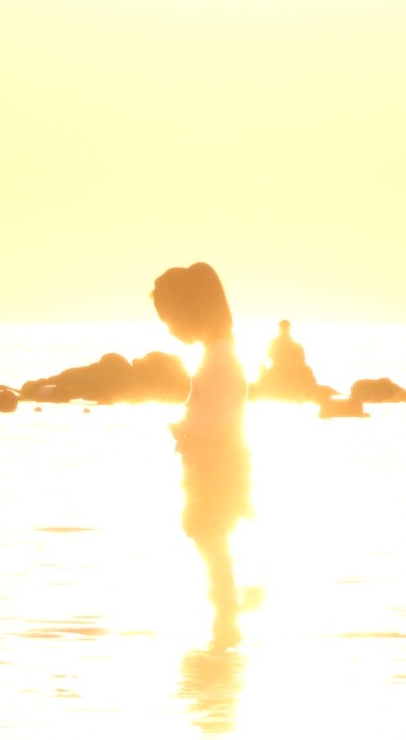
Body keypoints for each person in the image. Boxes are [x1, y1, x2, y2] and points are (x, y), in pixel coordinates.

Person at [152, 262, 251, 649]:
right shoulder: (217, 353)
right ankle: (223, 635)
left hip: (216, 469)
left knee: (213, 543)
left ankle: (225, 633)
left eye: (171, 319)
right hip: (213, 467)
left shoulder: (221, 357)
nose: (170, 330)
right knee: (210, 543)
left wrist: (188, 434)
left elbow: (223, 420)